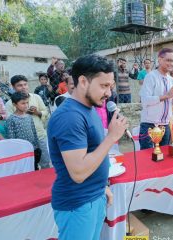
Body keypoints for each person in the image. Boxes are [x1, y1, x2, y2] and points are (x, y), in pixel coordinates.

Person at [47, 54, 128, 240]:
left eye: (110, 86)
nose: (109, 93)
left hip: (94, 196)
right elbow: (78, 173)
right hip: (78, 204)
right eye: (103, 85)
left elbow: (93, 153)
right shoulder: (70, 117)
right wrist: (112, 137)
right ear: (83, 81)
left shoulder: (89, 109)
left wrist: (102, 187)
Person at [139, 48, 173, 150]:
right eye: (168, 60)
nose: (171, 63)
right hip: (150, 124)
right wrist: (166, 96)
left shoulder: (171, 80)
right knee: (147, 157)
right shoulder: (151, 76)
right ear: (160, 60)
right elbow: (145, 100)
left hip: (166, 125)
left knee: (164, 158)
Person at [5, 75, 51, 169]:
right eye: (19, 85)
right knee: (26, 166)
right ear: (13, 87)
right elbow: (10, 123)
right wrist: (24, 112)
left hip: (39, 137)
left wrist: (37, 112)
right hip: (22, 142)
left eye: (25, 84)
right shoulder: (10, 104)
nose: (23, 87)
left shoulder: (36, 97)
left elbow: (46, 112)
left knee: (45, 162)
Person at [6, 92, 41, 169]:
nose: (26, 105)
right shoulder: (11, 119)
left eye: (27, 103)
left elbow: (34, 132)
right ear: (15, 104)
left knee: (34, 168)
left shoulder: (29, 116)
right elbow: (11, 137)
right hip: (21, 151)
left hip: (33, 149)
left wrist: (37, 147)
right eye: (23, 103)